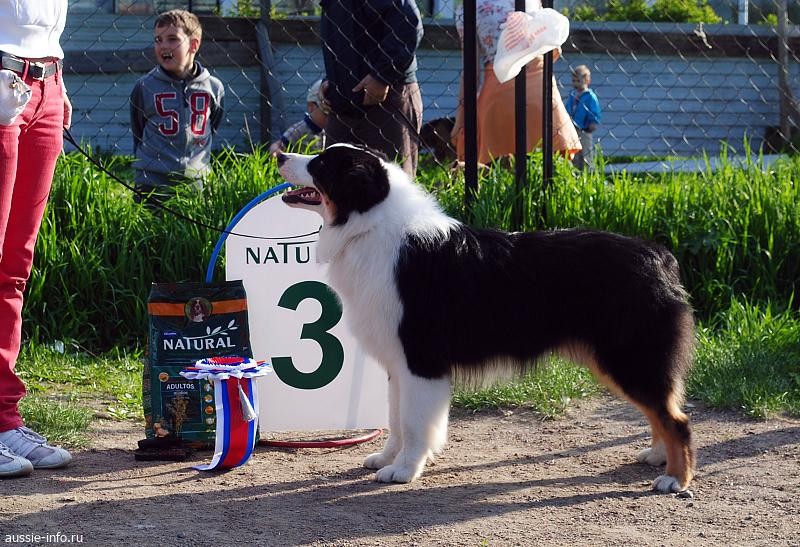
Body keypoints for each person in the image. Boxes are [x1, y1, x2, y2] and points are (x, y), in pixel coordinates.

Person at [0, 0, 73, 478]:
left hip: (45, 82)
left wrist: (56, 83)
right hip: (2, 75)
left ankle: (4, 418)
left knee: (14, 266)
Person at [451, 0, 581, 165]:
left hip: (497, 92)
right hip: (540, 91)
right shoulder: (531, 1)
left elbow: (471, 72)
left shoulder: (469, 8)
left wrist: (460, 120)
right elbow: (554, 51)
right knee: (550, 167)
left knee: (492, 170)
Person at [130, 9, 225, 208]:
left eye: (172, 39)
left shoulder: (213, 87)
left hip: (196, 181)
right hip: (151, 181)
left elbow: (213, 124)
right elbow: (138, 129)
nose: (163, 46)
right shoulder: (145, 86)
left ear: (194, 44)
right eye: (158, 40)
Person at [318, 0, 423, 178]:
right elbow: (346, 35)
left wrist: (382, 76)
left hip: (387, 99)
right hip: (343, 104)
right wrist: (332, 79)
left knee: (392, 185)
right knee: (334, 184)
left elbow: (407, 23)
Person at [269, 79, 328, 155]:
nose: (330, 118)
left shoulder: (332, 131)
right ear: (311, 107)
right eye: (325, 113)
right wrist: (276, 151)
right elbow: (279, 145)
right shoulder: (300, 129)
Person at [564, 64, 602, 171]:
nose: (575, 83)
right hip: (573, 128)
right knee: (574, 152)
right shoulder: (573, 95)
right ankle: (575, 171)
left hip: (585, 128)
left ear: (587, 80)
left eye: (578, 81)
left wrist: (593, 122)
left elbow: (594, 111)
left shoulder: (589, 96)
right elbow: (568, 108)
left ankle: (587, 171)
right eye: (573, 81)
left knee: (586, 151)